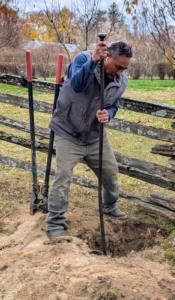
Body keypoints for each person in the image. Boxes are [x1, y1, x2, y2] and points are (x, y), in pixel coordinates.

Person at [46, 40, 133, 239]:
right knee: (63, 177)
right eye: (118, 66)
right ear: (107, 56)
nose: (120, 72)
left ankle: (109, 205)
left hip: (95, 136)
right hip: (68, 131)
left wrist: (108, 114)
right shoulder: (82, 59)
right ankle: (55, 223)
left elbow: (114, 105)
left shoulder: (122, 82)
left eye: (124, 69)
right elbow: (76, 85)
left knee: (110, 172)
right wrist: (93, 61)